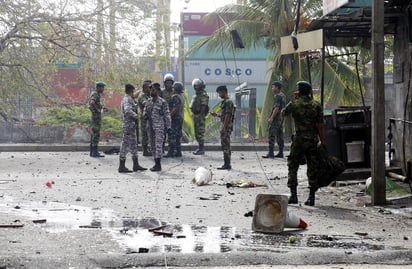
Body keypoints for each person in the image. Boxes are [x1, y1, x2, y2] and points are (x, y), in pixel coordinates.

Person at [282, 81, 325, 206]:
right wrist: (323, 141)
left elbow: (283, 113)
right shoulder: (316, 105)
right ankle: (311, 197)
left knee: (293, 165)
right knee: (312, 166)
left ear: (299, 92)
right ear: (310, 92)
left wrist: (294, 99)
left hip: (299, 139)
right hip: (312, 140)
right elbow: (320, 125)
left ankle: (294, 196)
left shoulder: (295, 104)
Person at [118, 84, 147, 173]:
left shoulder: (129, 98)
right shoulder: (127, 99)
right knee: (125, 145)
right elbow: (127, 110)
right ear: (131, 91)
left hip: (131, 126)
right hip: (128, 126)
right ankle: (121, 166)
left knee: (134, 145)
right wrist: (136, 116)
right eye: (133, 91)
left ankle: (136, 165)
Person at [143, 83, 171, 172]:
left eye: (154, 90)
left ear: (158, 91)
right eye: (151, 90)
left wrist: (169, 127)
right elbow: (145, 111)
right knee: (152, 145)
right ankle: (155, 163)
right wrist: (145, 115)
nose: (152, 91)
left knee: (158, 145)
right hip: (150, 126)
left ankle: (158, 164)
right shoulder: (148, 101)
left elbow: (167, 115)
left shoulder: (162, 102)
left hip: (159, 126)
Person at [211, 85, 235, 170]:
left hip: (226, 126)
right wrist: (216, 115)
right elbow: (224, 115)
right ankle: (226, 163)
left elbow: (228, 115)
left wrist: (224, 127)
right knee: (225, 144)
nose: (219, 95)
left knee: (225, 145)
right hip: (226, 125)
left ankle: (227, 164)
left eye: (220, 93)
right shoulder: (225, 102)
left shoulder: (228, 102)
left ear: (224, 92)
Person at [263, 81, 286, 159]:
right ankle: (281, 152)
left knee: (271, 134)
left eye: (273, 87)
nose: (272, 88)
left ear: (277, 87)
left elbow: (276, 108)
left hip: (276, 118)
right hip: (281, 119)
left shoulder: (277, 96)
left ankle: (271, 152)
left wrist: (271, 118)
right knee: (280, 135)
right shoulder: (283, 95)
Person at [164, 81, 185, 158]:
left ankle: (171, 151)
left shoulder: (175, 97)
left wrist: (169, 117)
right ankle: (178, 151)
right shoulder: (181, 96)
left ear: (175, 89)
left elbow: (175, 108)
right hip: (180, 118)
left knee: (172, 135)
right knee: (178, 135)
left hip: (175, 118)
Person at [190, 78, 209, 155]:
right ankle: (200, 148)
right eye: (195, 86)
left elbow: (203, 106)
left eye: (198, 86)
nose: (196, 87)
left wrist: (200, 117)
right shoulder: (197, 95)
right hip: (196, 115)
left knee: (200, 133)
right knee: (197, 133)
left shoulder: (203, 95)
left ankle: (201, 149)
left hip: (199, 116)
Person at [88, 81, 106, 158]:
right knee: (96, 134)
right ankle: (94, 152)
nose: (103, 89)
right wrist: (97, 110)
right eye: (102, 87)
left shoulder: (96, 94)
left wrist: (101, 107)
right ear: (98, 87)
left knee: (94, 134)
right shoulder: (95, 94)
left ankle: (92, 151)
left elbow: (95, 103)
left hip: (96, 117)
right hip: (96, 117)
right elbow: (92, 103)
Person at [137, 80, 152, 156]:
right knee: (145, 133)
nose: (151, 89)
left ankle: (148, 148)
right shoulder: (142, 96)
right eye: (149, 87)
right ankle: (145, 150)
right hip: (144, 117)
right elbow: (146, 103)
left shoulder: (149, 95)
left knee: (149, 133)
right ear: (145, 88)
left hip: (150, 117)